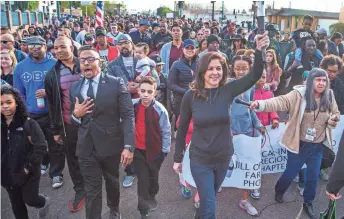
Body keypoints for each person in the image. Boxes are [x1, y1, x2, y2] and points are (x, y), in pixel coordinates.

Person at [173, 32, 268, 219]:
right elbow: (182, 127)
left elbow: (256, 74)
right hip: (200, 160)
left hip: (223, 158)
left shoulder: (228, 90)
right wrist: (177, 158)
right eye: (210, 69)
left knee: (208, 202)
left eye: (219, 68)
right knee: (210, 207)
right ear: (202, 71)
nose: (215, 72)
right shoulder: (190, 96)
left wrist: (259, 50)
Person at [249, 68, 340, 219]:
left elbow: (335, 112)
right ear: (311, 81)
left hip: (317, 145)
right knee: (290, 173)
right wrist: (259, 104)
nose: (322, 83)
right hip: (298, 144)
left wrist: (333, 120)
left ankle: (308, 202)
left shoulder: (329, 95)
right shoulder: (299, 94)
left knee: (313, 177)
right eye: (318, 79)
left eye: (324, 80)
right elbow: (279, 101)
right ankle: (279, 190)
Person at [69, 47, 135, 219]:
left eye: (90, 59)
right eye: (82, 60)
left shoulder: (116, 83)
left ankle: (114, 209)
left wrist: (129, 146)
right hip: (86, 148)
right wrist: (77, 114)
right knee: (92, 190)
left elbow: (128, 115)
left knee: (112, 181)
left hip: (111, 145)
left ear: (100, 62)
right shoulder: (75, 88)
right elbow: (73, 118)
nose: (86, 63)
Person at [44, 37, 86, 212]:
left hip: (94, 122)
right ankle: (80, 190)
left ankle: (97, 185)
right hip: (69, 124)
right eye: (55, 47)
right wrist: (56, 129)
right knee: (73, 158)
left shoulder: (86, 64)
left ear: (72, 47)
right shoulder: (52, 75)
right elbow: (53, 105)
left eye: (62, 46)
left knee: (98, 154)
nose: (59, 50)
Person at [1, 85, 49, 219]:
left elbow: (41, 147)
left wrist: (28, 168)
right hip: (7, 174)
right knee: (17, 206)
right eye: (1, 103)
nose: (5, 106)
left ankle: (43, 202)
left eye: (8, 102)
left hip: (28, 171)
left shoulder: (29, 124)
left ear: (16, 102)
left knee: (30, 199)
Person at [229, 55, 265, 216]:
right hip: (230, 132)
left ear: (249, 69)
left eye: (244, 68)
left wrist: (257, 124)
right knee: (226, 164)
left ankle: (244, 199)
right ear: (233, 69)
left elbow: (251, 109)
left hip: (248, 132)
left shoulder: (250, 86)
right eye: (238, 68)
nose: (241, 71)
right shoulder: (227, 85)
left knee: (247, 165)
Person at [132, 76, 171, 219]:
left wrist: (165, 151)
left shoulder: (160, 110)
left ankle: (152, 194)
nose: (146, 95)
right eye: (143, 91)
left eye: (149, 91)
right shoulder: (132, 105)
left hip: (155, 152)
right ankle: (143, 210)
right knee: (142, 180)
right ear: (138, 91)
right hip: (138, 151)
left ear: (155, 92)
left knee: (153, 178)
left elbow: (166, 131)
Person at [168, 39, 197, 131]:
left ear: (195, 50)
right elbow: (171, 84)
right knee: (181, 126)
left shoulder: (201, 63)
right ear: (183, 50)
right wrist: (186, 92)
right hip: (181, 100)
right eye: (187, 48)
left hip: (198, 99)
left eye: (192, 48)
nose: (189, 50)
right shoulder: (176, 64)